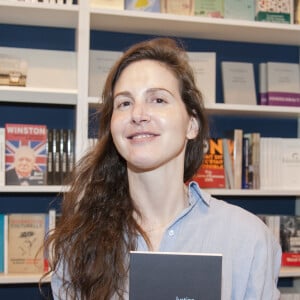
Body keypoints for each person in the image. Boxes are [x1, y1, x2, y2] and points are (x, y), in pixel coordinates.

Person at [44, 37, 282, 299]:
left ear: (192, 125)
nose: (138, 114)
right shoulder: (79, 241)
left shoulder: (249, 238)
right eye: (124, 103)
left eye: (158, 100)